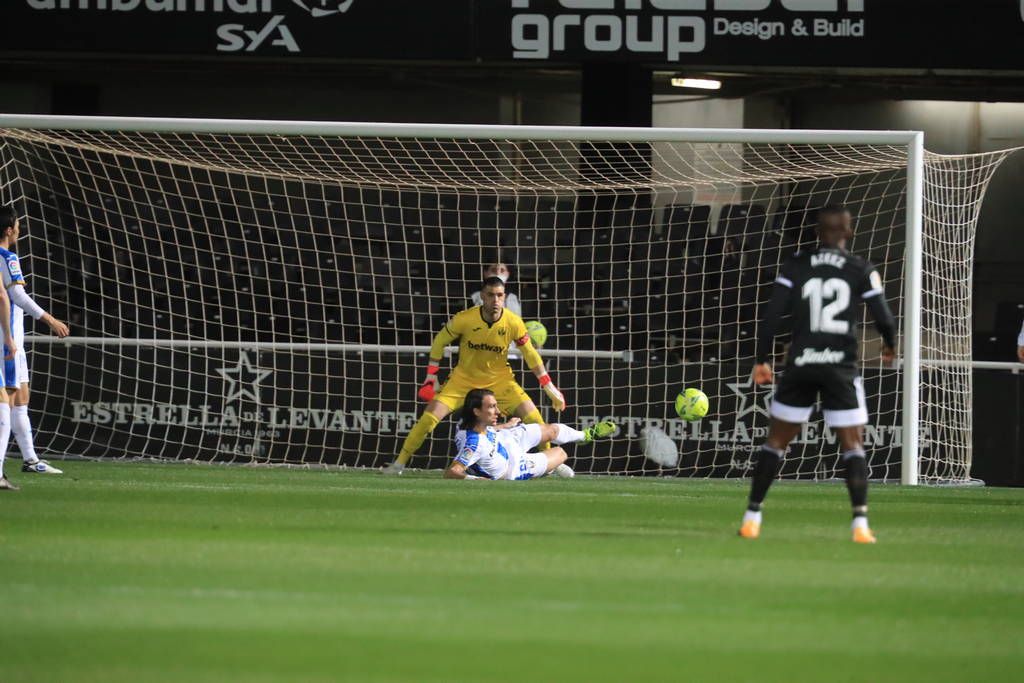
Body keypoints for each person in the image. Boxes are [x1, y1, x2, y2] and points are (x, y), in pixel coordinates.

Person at [738, 205, 897, 544]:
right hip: (840, 366)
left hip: (801, 364)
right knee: (852, 445)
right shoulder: (860, 269)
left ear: (816, 231)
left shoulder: (795, 266)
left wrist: (762, 359)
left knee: (776, 443)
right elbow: (883, 317)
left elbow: (771, 316)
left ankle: (752, 517)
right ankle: (860, 526)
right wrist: (889, 345)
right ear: (848, 232)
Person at [382, 276, 564, 475]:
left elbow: (530, 354)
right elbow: (439, 341)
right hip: (462, 380)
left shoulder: (514, 322)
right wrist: (431, 376)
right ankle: (398, 465)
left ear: (504, 297)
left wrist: (549, 386)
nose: (495, 300)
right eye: (491, 295)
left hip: (500, 381)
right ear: (482, 297)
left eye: (500, 295)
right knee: (428, 419)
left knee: (535, 419)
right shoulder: (465, 318)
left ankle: (549, 466)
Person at [0, 206, 70, 480]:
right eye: (17, 224)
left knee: (21, 396)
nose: (19, 229)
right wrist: (50, 320)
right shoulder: (7, 256)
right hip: (8, 340)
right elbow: (16, 296)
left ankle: (30, 459)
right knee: (8, 398)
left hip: (13, 338)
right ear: (9, 229)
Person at [445, 388, 616, 480]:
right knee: (560, 453)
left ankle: (584, 436)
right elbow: (452, 472)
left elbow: (483, 432)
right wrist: (477, 480)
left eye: (496, 405)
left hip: (505, 439)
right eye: (491, 407)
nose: (498, 411)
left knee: (551, 430)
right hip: (513, 466)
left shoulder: (467, 426)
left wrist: (505, 426)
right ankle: (548, 469)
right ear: (476, 411)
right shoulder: (473, 444)